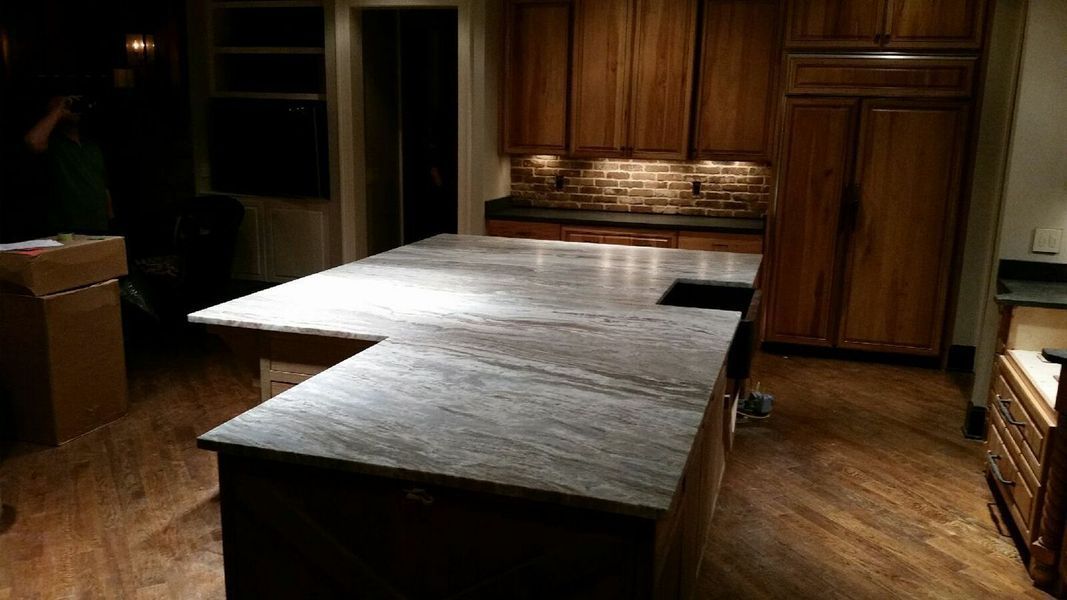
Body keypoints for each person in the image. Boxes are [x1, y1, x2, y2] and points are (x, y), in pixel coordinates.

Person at [23, 95, 112, 234]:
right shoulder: (54, 144)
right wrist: (58, 111)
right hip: (67, 226)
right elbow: (33, 142)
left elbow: (103, 184)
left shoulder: (92, 146)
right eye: (66, 104)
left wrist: (110, 216)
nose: (71, 107)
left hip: (98, 224)